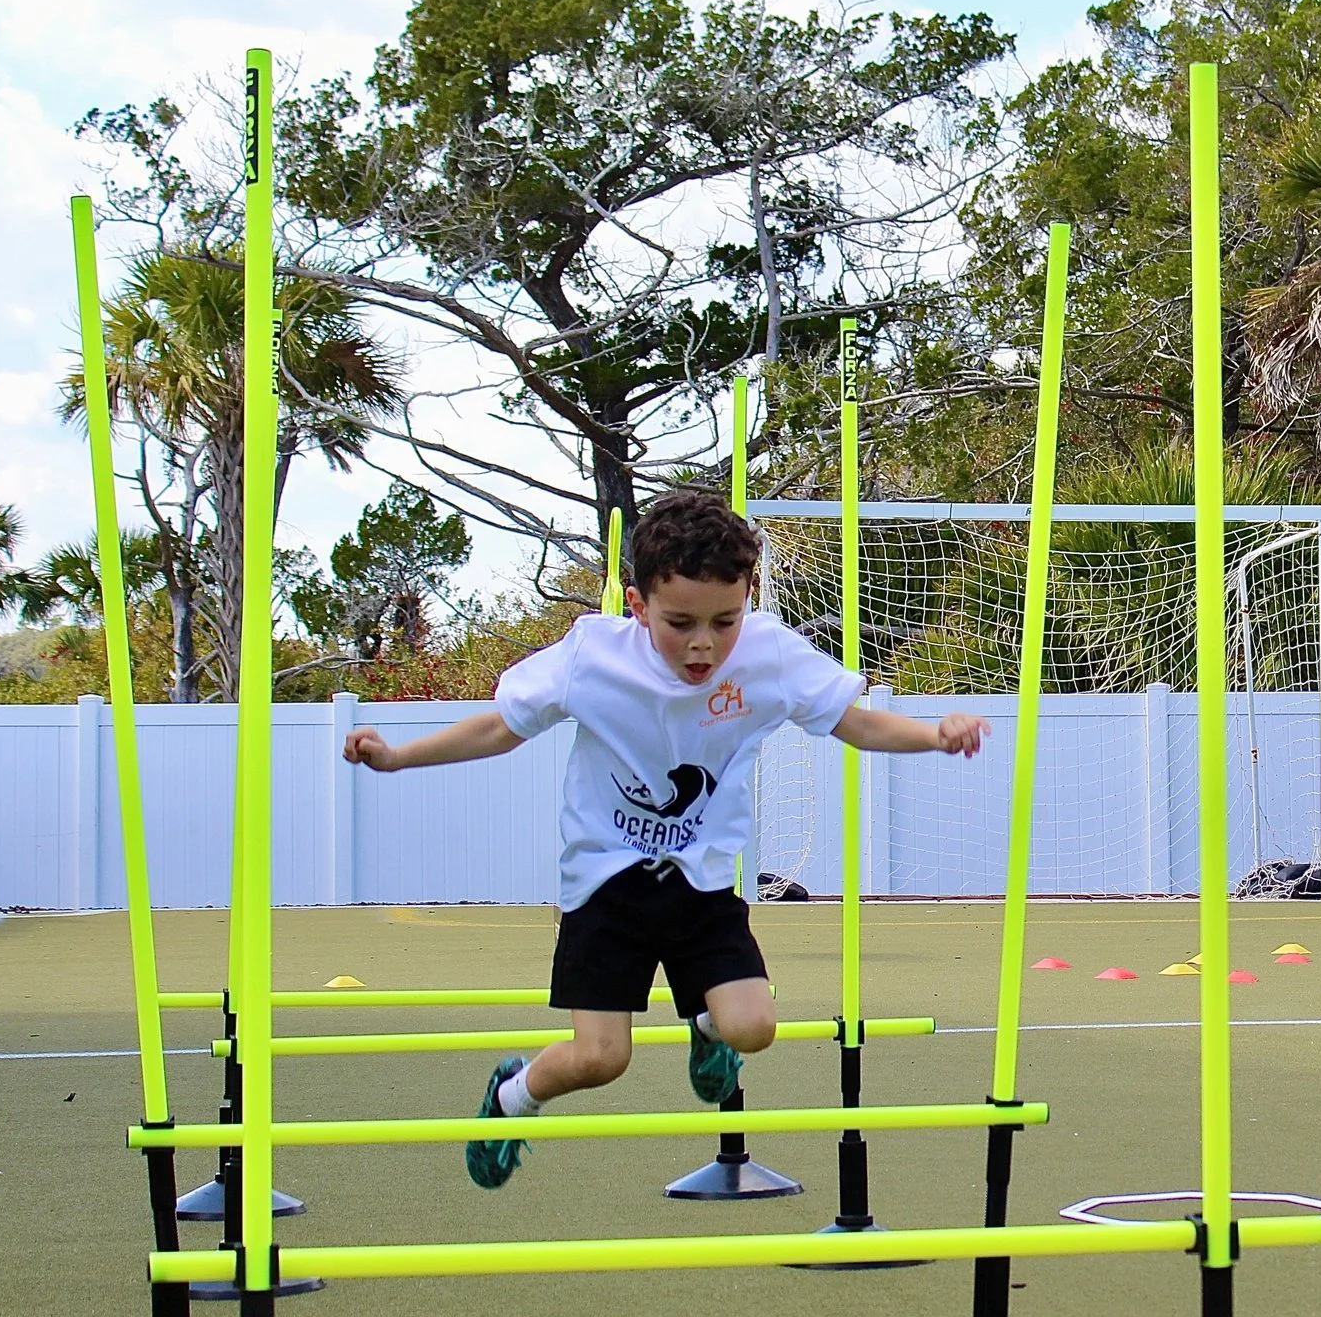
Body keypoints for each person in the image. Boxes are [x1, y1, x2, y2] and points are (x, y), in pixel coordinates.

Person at [344, 488, 985, 1188]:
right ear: (638, 603)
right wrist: (399, 756)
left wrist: (933, 735)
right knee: (601, 1058)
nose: (704, 644)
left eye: (725, 620)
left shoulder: (768, 654)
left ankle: (707, 1029)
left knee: (752, 1027)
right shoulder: (593, 654)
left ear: (751, 597)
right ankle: (511, 1095)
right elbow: (501, 726)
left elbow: (853, 722)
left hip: (701, 877)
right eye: (680, 622)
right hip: (605, 880)